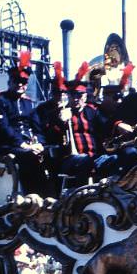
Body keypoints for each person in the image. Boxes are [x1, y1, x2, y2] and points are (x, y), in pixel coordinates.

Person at [45, 61, 118, 190]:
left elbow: (106, 127)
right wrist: (60, 122)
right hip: (69, 159)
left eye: (80, 95)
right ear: (68, 96)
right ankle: (83, 195)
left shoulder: (92, 112)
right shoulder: (59, 113)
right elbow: (51, 136)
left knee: (114, 159)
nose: (76, 98)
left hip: (92, 157)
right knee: (85, 160)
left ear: (85, 96)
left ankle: (107, 194)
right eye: (73, 95)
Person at [0, 50, 49, 195]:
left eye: (24, 82)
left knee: (52, 154)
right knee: (29, 157)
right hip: (8, 145)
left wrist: (40, 143)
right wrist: (23, 144)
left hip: (29, 144)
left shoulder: (29, 103)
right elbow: (4, 128)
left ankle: (51, 196)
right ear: (10, 82)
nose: (21, 85)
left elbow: (37, 128)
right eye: (17, 81)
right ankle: (30, 198)